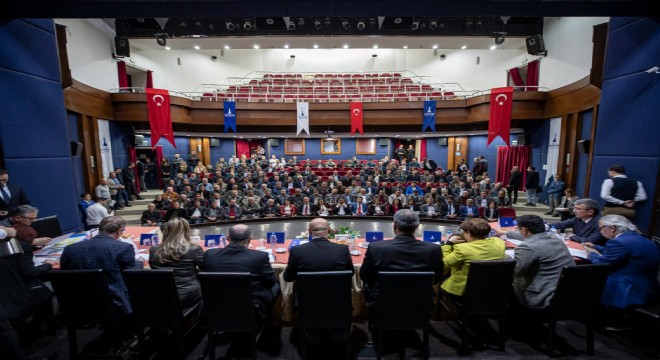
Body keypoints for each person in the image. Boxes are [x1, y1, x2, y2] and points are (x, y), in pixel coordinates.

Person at [582, 215, 660, 330]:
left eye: (601, 228)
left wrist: (591, 253)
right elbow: (623, 252)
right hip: (647, 283)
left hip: (626, 285)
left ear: (612, 228)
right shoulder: (639, 238)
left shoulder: (618, 242)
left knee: (586, 279)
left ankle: (595, 315)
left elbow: (601, 264)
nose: (600, 231)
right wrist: (596, 247)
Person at [360, 210, 443, 315]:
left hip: (383, 301)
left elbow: (365, 276)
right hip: (420, 301)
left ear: (394, 226)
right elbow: (436, 279)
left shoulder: (376, 247)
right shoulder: (434, 249)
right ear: (417, 226)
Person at [61, 216, 144, 314]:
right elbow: (132, 273)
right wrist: (140, 261)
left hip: (75, 303)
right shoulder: (123, 248)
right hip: (113, 303)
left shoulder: (69, 249)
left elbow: (64, 275)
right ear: (119, 231)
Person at [203, 224, 280, 323]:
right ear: (250, 238)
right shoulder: (260, 257)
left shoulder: (209, 255)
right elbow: (270, 283)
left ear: (227, 238)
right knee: (277, 284)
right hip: (251, 309)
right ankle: (275, 321)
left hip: (215, 307)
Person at [439, 218, 505, 316]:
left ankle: (446, 313)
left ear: (469, 232)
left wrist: (448, 244)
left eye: (464, 232)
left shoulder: (462, 249)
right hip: (491, 290)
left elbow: (444, 263)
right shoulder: (499, 243)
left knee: (438, 281)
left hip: (464, 292)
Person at [512, 215, 575, 310]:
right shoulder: (556, 239)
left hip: (543, 296)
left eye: (518, 229)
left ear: (524, 230)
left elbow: (516, 272)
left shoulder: (527, 247)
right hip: (567, 292)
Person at [149, 218, 204, 308]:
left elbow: (153, 268)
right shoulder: (194, 248)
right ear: (186, 231)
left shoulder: (153, 249)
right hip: (188, 294)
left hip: (161, 294)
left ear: (166, 231)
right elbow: (205, 267)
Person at [283, 217, 354, 282]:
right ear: (329, 231)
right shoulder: (343, 249)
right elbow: (351, 273)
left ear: (309, 232)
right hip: (337, 295)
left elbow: (288, 278)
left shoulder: (297, 250)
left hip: (305, 295)